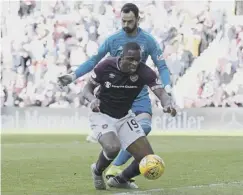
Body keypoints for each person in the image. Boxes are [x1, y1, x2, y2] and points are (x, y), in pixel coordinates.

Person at [58, 3, 172, 185]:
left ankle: (120, 177)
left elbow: (162, 72)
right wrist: (73, 76)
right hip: (106, 105)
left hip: (136, 95)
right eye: (123, 21)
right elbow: (93, 62)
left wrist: (168, 97)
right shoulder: (111, 50)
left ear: (138, 19)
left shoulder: (147, 47)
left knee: (147, 153)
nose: (126, 25)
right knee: (113, 146)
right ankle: (102, 167)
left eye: (130, 21)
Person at [83, 42, 176, 190]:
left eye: (137, 60)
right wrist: (93, 99)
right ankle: (97, 170)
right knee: (113, 147)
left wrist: (167, 104)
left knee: (149, 159)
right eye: (130, 59)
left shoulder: (144, 71)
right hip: (101, 114)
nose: (134, 63)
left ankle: (120, 179)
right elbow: (87, 88)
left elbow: (162, 93)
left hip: (125, 117)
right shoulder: (105, 66)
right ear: (121, 56)